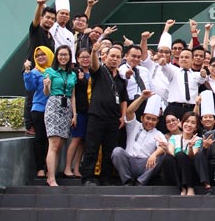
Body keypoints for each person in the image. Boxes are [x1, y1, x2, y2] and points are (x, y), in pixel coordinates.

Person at [80, 43, 128, 186]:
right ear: (105, 57)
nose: (114, 59)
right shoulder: (100, 71)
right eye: (112, 56)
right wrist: (94, 51)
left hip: (113, 119)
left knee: (109, 151)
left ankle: (106, 178)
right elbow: (94, 65)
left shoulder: (121, 78)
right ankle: (88, 177)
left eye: (117, 57)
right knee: (92, 148)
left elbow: (123, 99)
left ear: (121, 59)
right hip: (97, 116)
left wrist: (123, 116)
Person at [111, 91, 166, 186]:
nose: (150, 121)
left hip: (146, 165)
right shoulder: (135, 126)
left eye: (154, 120)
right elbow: (129, 112)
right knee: (117, 151)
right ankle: (127, 180)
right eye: (148, 118)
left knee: (162, 156)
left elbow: (163, 146)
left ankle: (140, 182)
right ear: (142, 118)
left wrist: (154, 155)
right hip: (129, 161)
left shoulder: (158, 133)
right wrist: (142, 98)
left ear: (157, 121)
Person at [24, 0, 56, 136]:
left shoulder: (51, 36)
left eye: (52, 18)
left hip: (47, 72)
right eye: (47, 17)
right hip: (33, 70)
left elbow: (44, 7)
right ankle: (29, 125)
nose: (49, 20)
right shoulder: (36, 31)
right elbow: (39, 10)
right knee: (31, 95)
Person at [42, 45, 77, 187]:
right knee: (54, 144)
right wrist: (46, 85)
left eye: (66, 55)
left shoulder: (72, 74)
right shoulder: (49, 71)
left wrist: (75, 114)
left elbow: (73, 95)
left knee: (61, 144)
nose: (63, 57)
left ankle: (52, 174)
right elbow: (46, 93)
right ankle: (51, 178)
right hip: (54, 104)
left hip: (67, 106)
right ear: (56, 56)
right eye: (61, 54)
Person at [22, 46, 54, 178]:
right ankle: (41, 168)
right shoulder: (35, 72)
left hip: (54, 109)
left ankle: (50, 168)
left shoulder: (55, 71)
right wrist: (27, 71)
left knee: (52, 140)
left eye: (43, 54)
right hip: (39, 109)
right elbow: (30, 87)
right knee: (40, 139)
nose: (40, 57)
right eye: (37, 55)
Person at [63, 48, 91, 178]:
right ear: (77, 59)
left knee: (83, 141)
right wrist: (74, 114)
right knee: (76, 139)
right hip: (79, 111)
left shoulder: (93, 72)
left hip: (90, 111)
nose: (86, 59)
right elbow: (72, 93)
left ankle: (76, 168)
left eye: (88, 56)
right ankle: (67, 167)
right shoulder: (75, 72)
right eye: (82, 57)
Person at [163, 111, 202, 195]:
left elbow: (193, 158)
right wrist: (165, 149)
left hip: (191, 171)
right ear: (181, 123)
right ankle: (182, 188)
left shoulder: (198, 139)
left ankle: (189, 186)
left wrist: (191, 147)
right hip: (176, 172)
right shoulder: (174, 138)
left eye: (193, 123)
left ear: (196, 127)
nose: (189, 125)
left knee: (181, 155)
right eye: (187, 121)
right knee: (167, 158)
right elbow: (172, 156)